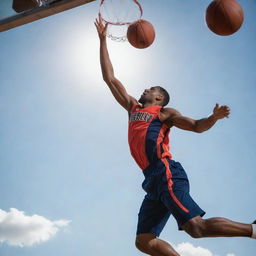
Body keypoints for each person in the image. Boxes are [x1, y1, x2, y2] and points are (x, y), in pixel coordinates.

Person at [94, 16, 256, 256]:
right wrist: (102, 40)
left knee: (195, 228)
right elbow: (110, 78)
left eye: (151, 89)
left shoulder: (164, 113)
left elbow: (197, 126)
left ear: (159, 98)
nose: (146, 89)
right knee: (144, 241)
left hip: (165, 171)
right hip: (151, 180)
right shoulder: (133, 108)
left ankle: (252, 230)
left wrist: (213, 117)